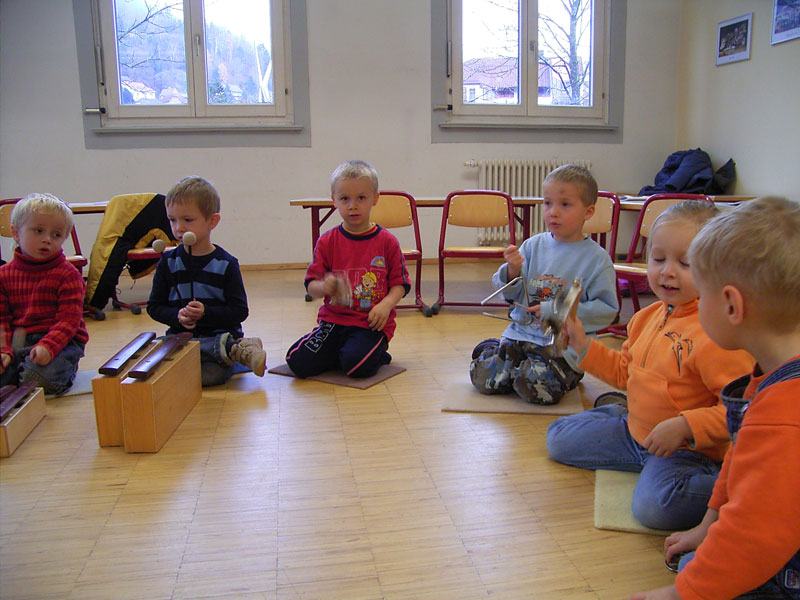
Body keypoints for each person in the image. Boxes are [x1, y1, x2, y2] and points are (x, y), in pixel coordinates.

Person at [547, 200, 754, 531]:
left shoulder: (717, 333)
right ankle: (620, 418)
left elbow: (741, 412)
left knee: (655, 508)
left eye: (685, 263)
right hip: (636, 430)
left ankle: (741, 490)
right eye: (658, 259)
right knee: (557, 438)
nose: (668, 271)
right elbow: (624, 372)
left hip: (686, 451)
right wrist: (582, 344)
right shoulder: (645, 317)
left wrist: (686, 426)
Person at [631, 197, 800, 600]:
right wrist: (708, 524)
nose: (696, 307)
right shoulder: (770, 374)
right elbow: (738, 463)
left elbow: (755, 534)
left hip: (785, 559)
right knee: (702, 554)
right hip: (773, 525)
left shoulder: (783, 414)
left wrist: (678, 595)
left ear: (731, 305)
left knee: (700, 571)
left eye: (702, 297)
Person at [469, 164, 618, 405]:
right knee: (484, 379)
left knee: (535, 389)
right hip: (520, 337)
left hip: (560, 350)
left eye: (565, 204)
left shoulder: (597, 260)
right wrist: (512, 271)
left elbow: (606, 312)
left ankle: (527, 369)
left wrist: (556, 311)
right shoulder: (532, 246)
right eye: (547, 203)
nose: (553, 212)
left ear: (588, 212)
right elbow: (511, 294)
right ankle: (501, 355)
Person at [285, 160, 409, 378]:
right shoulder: (327, 241)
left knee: (355, 367)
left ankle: (374, 352)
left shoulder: (387, 242)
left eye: (361, 198)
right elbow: (311, 287)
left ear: (375, 199)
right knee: (297, 362)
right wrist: (324, 287)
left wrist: (385, 306)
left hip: (370, 324)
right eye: (345, 199)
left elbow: (400, 284)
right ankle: (341, 351)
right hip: (334, 322)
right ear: (334, 201)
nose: (353, 205)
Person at [147, 176, 265, 386]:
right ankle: (237, 351)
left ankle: (231, 348)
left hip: (219, 337)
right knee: (159, 361)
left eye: (188, 220)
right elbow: (154, 307)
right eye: (172, 220)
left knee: (211, 376)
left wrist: (206, 313)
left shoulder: (226, 264)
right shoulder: (167, 263)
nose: (179, 228)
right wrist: (178, 317)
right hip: (181, 340)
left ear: (212, 221)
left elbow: (239, 311)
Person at [0, 193, 89, 395]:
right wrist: (4, 351)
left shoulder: (68, 275)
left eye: (56, 235)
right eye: (38, 231)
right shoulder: (4, 276)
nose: (47, 240)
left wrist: (48, 346)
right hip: (18, 341)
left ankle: (42, 373)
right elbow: (2, 320)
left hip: (61, 342)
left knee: (37, 380)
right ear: (16, 233)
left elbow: (68, 321)